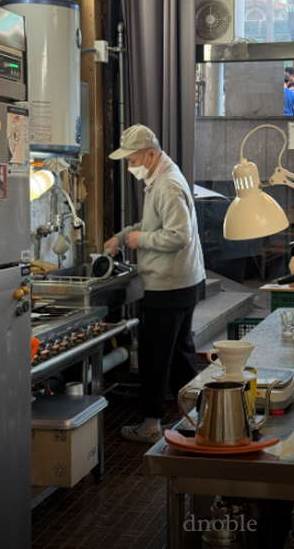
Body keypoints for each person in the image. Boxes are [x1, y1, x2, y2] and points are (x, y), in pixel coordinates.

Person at [104, 124, 206, 443]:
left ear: (150, 155)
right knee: (179, 355)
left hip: (170, 285)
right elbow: (153, 223)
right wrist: (123, 236)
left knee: (154, 357)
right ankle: (202, 417)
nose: (131, 167)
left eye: (133, 160)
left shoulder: (167, 184)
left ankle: (151, 425)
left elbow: (178, 235)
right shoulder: (161, 178)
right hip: (181, 282)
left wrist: (141, 240)